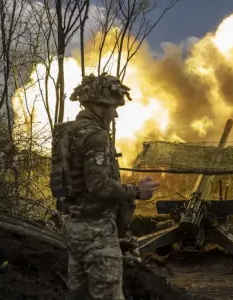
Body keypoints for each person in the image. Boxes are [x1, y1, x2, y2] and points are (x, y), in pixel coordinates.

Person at [52, 73, 160, 300]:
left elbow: (73, 181)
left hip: (74, 227)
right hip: (97, 232)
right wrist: (138, 192)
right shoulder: (96, 135)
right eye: (113, 106)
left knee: (78, 295)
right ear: (100, 106)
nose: (115, 113)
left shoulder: (66, 132)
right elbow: (98, 184)